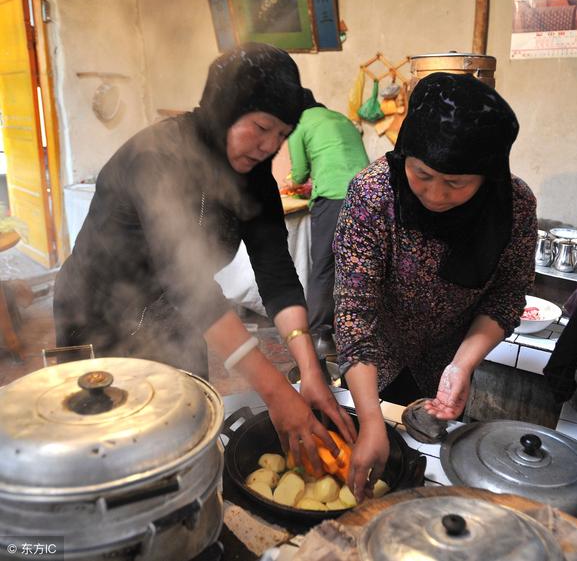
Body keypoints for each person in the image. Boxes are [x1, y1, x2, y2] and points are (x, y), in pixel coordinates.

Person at [54, 43, 356, 469]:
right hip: (96, 316)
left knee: (183, 435)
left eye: (282, 136)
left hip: (174, 320)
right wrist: (274, 391)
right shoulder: (158, 157)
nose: (269, 146)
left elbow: (277, 274)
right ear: (224, 110)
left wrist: (308, 369)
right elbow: (187, 283)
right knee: (102, 451)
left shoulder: (253, 177)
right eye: (261, 127)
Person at [333, 72, 537, 500]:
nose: (435, 194)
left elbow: (506, 295)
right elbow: (354, 314)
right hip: (374, 358)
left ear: (487, 176)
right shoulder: (374, 195)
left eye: (456, 183)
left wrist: (462, 365)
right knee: (370, 452)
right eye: (422, 173)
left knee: (426, 469)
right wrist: (370, 418)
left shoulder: (513, 205)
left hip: (451, 356)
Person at [288, 89, 369, 333]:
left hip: (333, 198)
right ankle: (358, 329)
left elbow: (299, 174)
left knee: (323, 267)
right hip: (367, 195)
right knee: (360, 265)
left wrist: (297, 183)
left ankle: (318, 333)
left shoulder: (299, 123)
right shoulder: (341, 118)